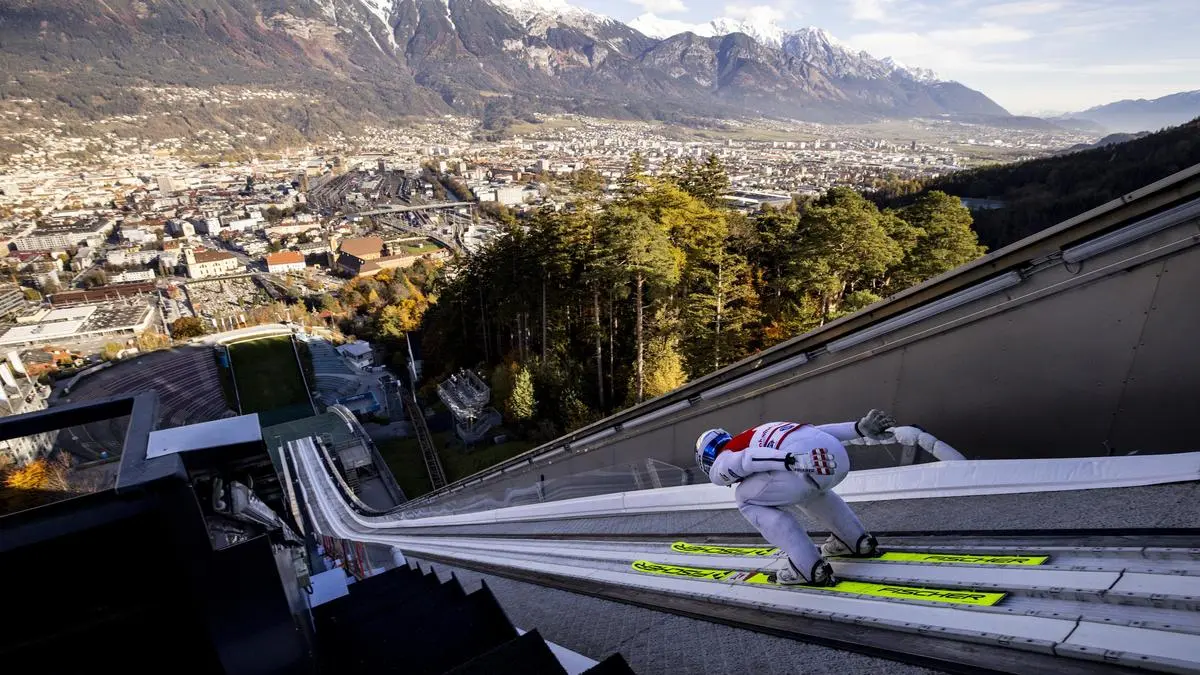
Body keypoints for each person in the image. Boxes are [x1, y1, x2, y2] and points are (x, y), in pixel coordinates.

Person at [694, 410, 896, 586]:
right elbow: (816, 432)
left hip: (800, 459)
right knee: (808, 491)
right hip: (833, 455)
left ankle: (807, 567)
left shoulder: (721, 461)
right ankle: (856, 540)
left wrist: (791, 460)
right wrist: (858, 428)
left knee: (745, 499)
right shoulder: (753, 433)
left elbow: (747, 459)